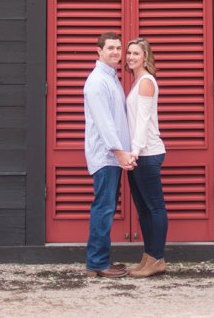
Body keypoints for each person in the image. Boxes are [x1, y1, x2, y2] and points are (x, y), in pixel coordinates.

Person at [83, 31, 136, 277]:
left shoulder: (111, 78)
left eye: (118, 48)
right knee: (103, 209)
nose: (115, 52)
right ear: (99, 51)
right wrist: (119, 152)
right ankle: (97, 263)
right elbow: (104, 122)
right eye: (110, 48)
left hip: (114, 157)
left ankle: (101, 260)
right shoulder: (97, 82)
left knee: (106, 208)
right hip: (106, 157)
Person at [124, 37, 168, 278]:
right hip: (139, 153)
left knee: (155, 207)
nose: (130, 57)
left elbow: (142, 122)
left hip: (147, 153)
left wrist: (135, 152)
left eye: (136, 53)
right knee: (143, 209)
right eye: (129, 53)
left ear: (145, 57)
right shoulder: (137, 81)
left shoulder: (146, 82)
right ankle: (148, 255)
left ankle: (157, 258)